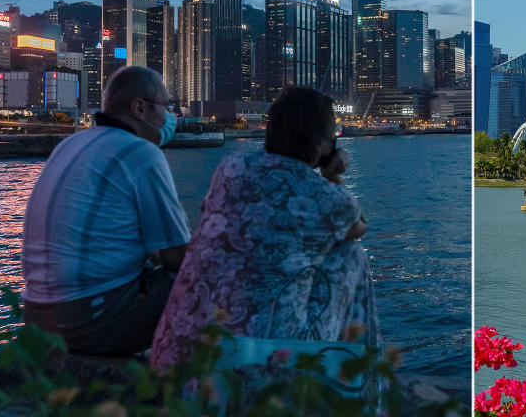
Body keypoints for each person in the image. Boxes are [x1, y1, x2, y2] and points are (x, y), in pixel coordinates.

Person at [150, 86, 378, 371]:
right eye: (333, 132)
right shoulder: (322, 196)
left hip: (176, 358)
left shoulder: (230, 169)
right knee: (350, 254)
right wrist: (331, 175)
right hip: (252, 370)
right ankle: (362, 385)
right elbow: (358, 227)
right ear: (321, 142)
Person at [21, 66, 189, 356]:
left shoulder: (69, 145)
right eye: (166, 106)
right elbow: (178, 258)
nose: (169, 116)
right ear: (139, 108)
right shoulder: (141, 152)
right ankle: (195, 387)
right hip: (87, 321)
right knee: (209, 275)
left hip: (37, 319)